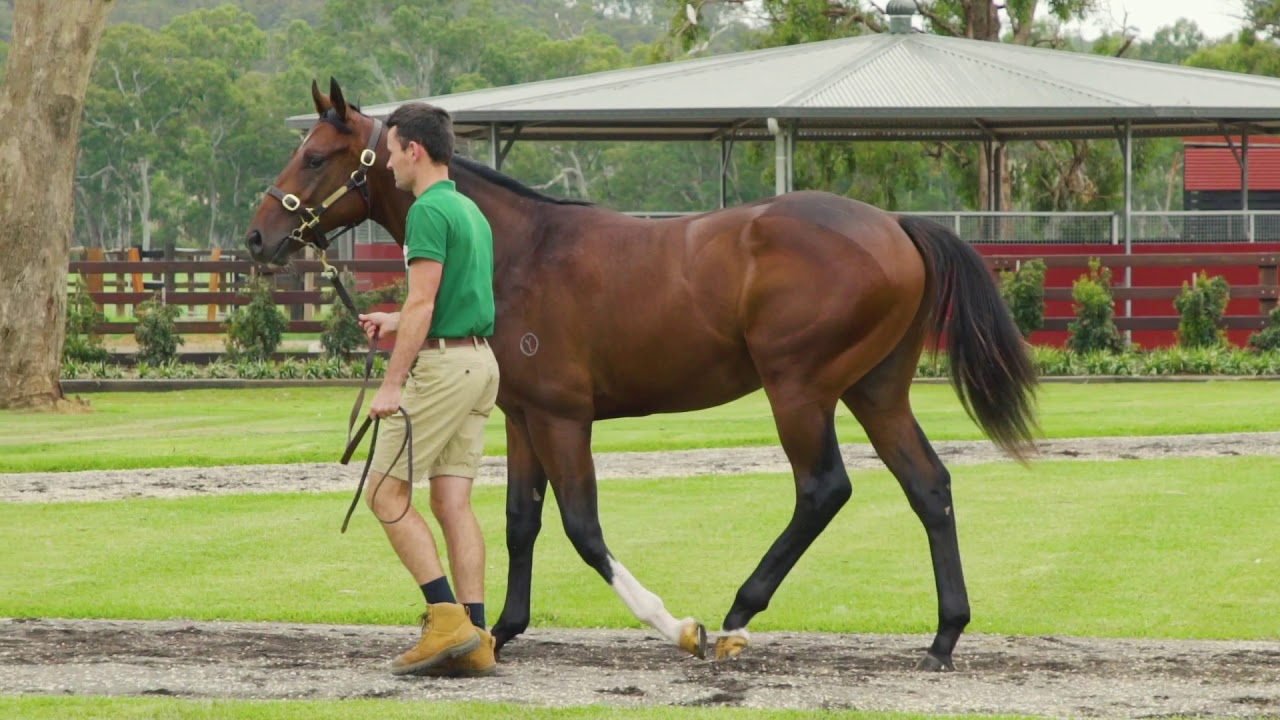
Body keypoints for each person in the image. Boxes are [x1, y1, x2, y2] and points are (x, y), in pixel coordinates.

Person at [358, 102, 500, 677]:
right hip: (480, 363)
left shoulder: (424, 213)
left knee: (384, 495)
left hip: (442, 372)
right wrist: (395, 321)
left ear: (413, 149)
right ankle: (477, 634)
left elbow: (423, 300)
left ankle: (444, 620)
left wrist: (392, 384)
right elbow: (446, 301)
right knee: (452, 502)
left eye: (391, 151)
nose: (388, 163)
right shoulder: (470, 211)